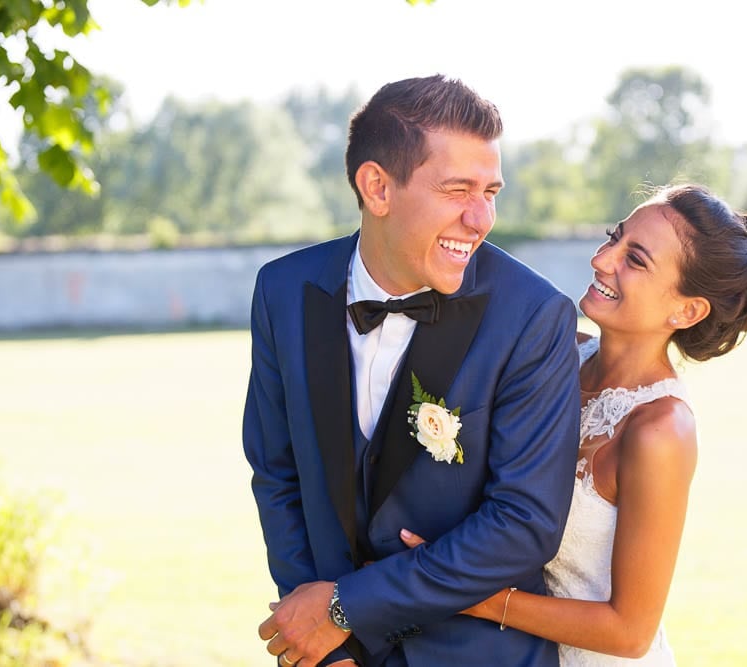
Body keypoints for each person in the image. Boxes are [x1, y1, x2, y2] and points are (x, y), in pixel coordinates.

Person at [242, 74, 581, 667]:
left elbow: (524, 525)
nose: (482, 219)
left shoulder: (533, 316)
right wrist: (322, 645)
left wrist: (345, 608)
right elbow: (277, 474)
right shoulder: (282, 290)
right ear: (377, 187)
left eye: (491, 191)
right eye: (458, 190)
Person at [400, 183, 747, 665]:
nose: (602, 259)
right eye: (615, 236)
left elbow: (630, 632)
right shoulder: (554, 354)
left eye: (635, 259)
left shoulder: (660, 429)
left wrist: (464, 593)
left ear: (687, 309)